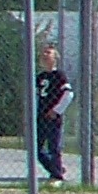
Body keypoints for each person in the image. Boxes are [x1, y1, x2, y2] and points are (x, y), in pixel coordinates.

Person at [34, 40, 69, 184]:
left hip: (53, 118)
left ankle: (57, 175)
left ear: (55, 57)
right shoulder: (40, 77)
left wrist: (56, 110)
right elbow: (35, 96)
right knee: (38, 150)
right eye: (43, 52)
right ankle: (56, 169)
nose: (45, 55)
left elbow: (68, 94)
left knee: (54, 147)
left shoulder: (59, 75)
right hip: (41, 117)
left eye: (48, 52)